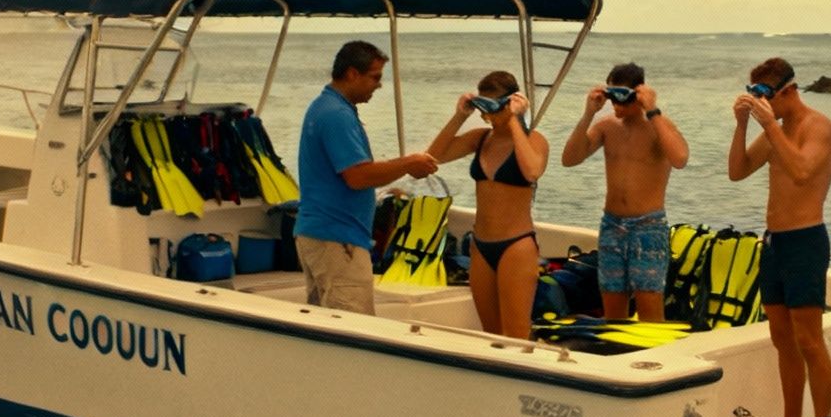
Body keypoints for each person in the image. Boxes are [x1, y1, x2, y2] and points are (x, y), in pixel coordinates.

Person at [727, 57, 831, 417]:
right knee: (781, 339)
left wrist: (769, 126)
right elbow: (737, 171)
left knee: (809, 340)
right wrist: (742, 126)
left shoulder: (817, 127)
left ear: (788, 91)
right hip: (774, 243)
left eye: (765, 95)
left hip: (805, 241)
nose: (761, 102)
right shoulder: (776, 130)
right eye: (754, 93)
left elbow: (803, 172)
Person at [293, 40, 439, 315]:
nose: (379, 85)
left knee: (323, 325)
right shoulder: (337, 115)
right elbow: (358, 177)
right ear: (352, 74)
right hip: (337, 239)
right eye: (375, 77)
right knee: (352, 328)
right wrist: (408, 163)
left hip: (318, 233)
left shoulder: (323, 107)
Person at [560, 62, 689, 321]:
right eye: (612, 98)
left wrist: (652, 110)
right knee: (612, 304)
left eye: (623, 98)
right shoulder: (607, 127)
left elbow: (680, 158)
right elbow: (570, 158)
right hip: (612, 225)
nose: (616, 106)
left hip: (647, 227)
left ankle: (654, 357)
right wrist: (588, 114)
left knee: (649, 304)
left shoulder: (658, 126)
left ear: (638, 95)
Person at [426, 71, 548, 340]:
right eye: (483, 108)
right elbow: (433, 157)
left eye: (492, 108)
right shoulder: (480, 138)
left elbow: (531, 171)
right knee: (491, 335)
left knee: (516, 335)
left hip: (516, 246)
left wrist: (516, 120)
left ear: (511, 103)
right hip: (481, 247)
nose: (487, 116)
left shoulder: (534, 140)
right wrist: (460, 115)